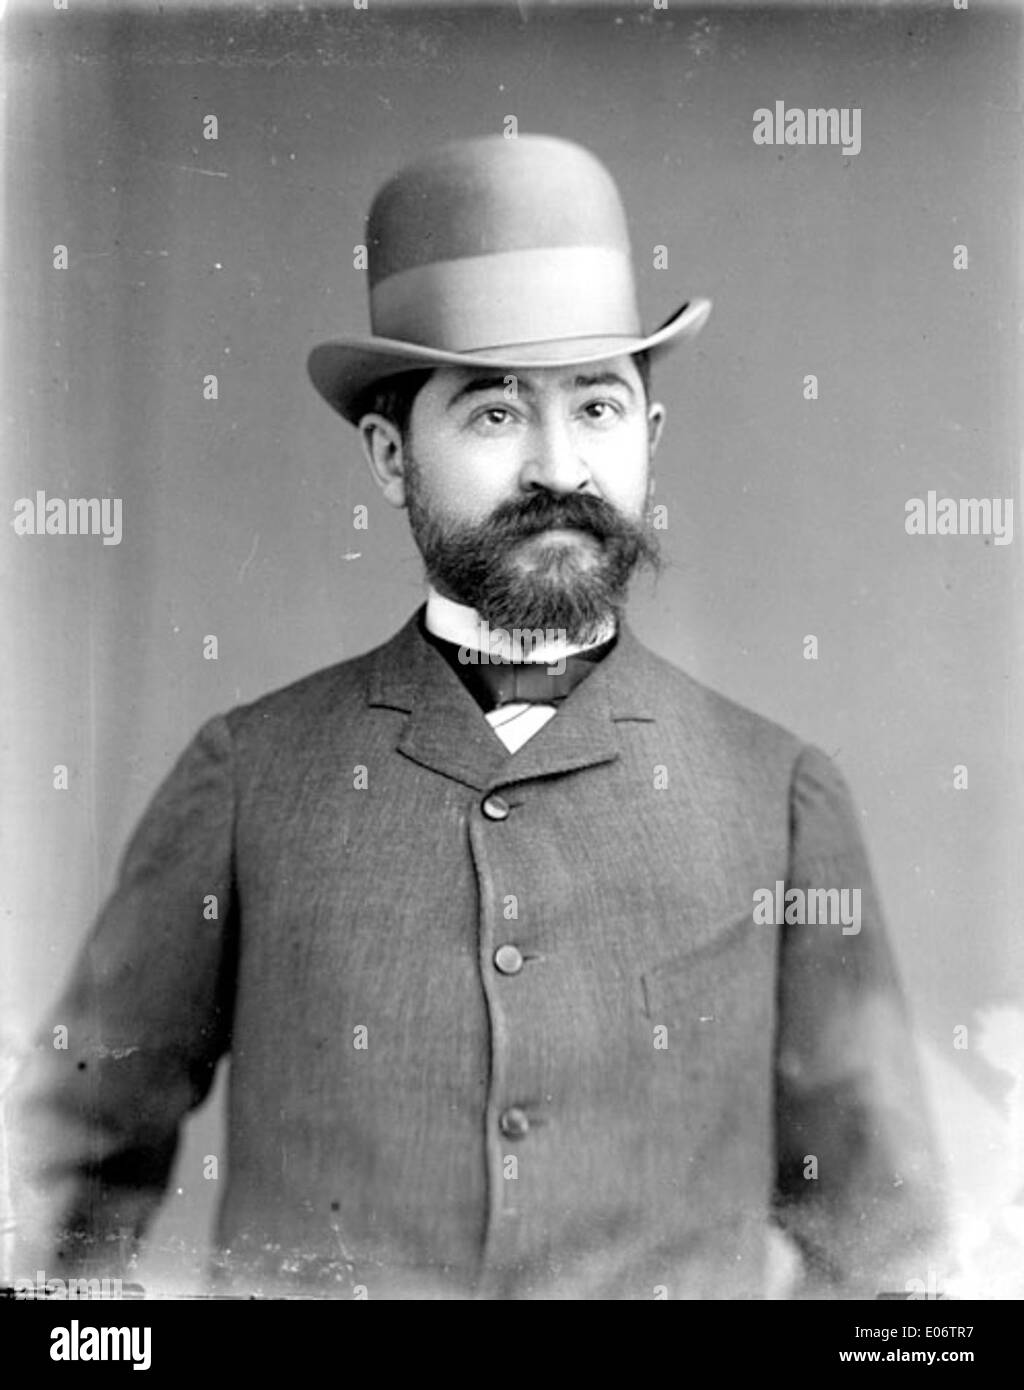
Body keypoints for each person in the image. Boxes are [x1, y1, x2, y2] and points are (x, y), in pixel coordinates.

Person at [11, 134, 942, 1300]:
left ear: (649, 437)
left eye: (598, 404)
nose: (560, 466)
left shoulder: (780, 794)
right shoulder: (248, 776)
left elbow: (886, 1246)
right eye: (496, 414)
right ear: (391, 456)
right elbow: (57, 1168)